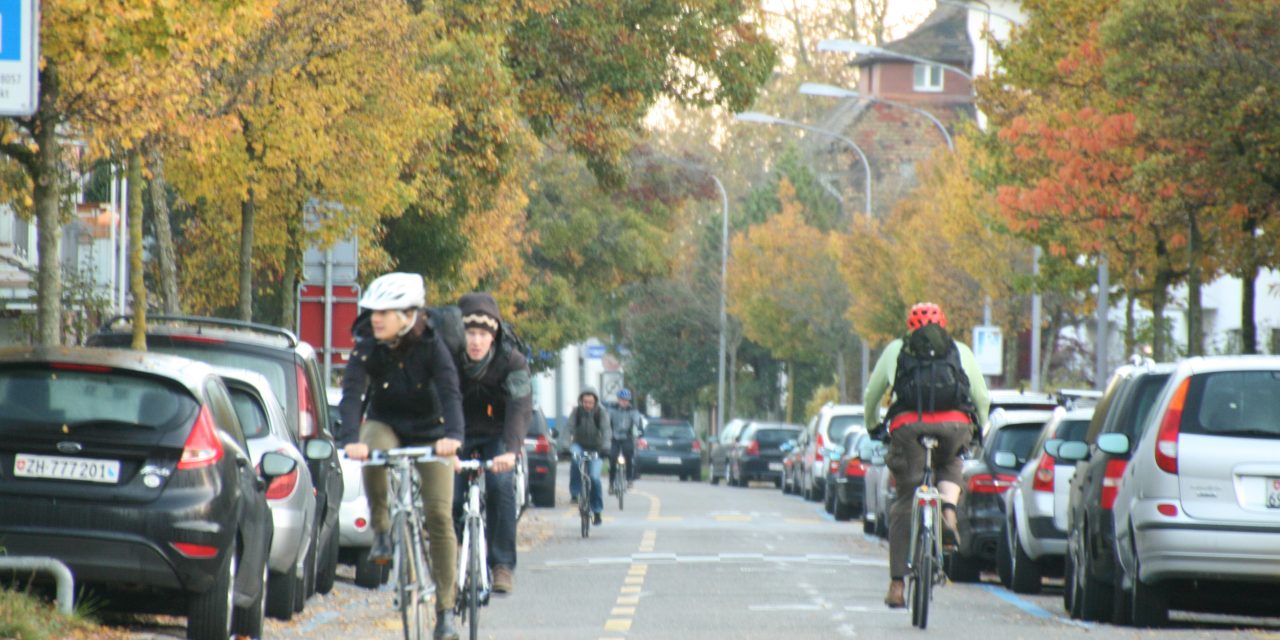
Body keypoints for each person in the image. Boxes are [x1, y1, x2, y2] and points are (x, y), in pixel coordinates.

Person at [337, 272, 465, 640]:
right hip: (387, 423)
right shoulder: (367, 345)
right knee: (372, 446)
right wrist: (350, 440)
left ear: (408, 315)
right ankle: (381, 528)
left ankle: (445, 611)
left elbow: (451, 392)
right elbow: (352, 395)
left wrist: (453, 437)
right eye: (373, 311)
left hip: (432, 431)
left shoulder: (433, 346)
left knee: (440, 515)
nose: (376, 318)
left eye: (385, 312)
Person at [862, 302, 990, 609]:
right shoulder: (960, 350)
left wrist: (873, 425)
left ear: (910, 326)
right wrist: (980, 428)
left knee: (906, 498)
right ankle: (947, 511)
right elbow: (981, 396)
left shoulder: (896, 349)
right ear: (943, 324)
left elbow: (871, 395)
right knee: (950, 461)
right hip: (954, 424)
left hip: (909, 427)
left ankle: (896, 584)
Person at [450, 292, 531, 594]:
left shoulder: (511, 360)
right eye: (470, 333)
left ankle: (501, 565)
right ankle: (457, 548)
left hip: (498, 433)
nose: (476, 341)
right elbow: (436, 401)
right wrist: (444, 446)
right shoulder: (447, 358)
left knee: (500, 486)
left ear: (493, 335)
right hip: (457, 432)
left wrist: (510, 451)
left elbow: (520, 406)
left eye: (482, 334)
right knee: (450, 496)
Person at [566, 387, 611, 525]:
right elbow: (568, 429)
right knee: (575, 459)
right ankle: (575, 492)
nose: (588, 405)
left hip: (597, 448)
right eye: (585, 402)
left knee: (595, 478)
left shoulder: (601, 413)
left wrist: (605, 448)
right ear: (581, 401)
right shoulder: (576, 412)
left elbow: (606, 431)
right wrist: (563, 446)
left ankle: (597, 511)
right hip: (579, 445)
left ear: (595, 402)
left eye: (590, 402)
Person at [608, 388, 644, 488]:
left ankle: (629, 479)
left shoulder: (633, 411)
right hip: (614, 437)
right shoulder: (612, 410)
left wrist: (640, 429)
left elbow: (637, 421)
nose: (625, 402)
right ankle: (611, 482)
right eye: (622, 400)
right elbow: (606, 421)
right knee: (612, 457)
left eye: (627, 400)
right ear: (618, 400)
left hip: (626, 437)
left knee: (628, 455)